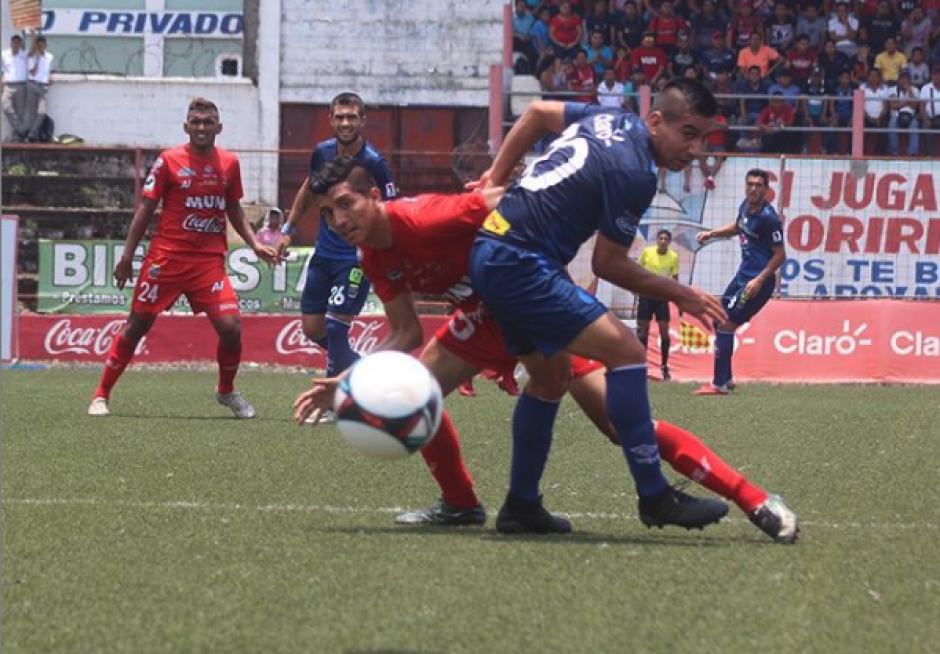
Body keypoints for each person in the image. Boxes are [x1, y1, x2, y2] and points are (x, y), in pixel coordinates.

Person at [294, 157, 800, 543]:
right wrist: (351, 380)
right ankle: (462, 503)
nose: (339, 219)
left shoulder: (427, 217)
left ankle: (752, 498)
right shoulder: (374, 254)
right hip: (483, 318)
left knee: (618, 425)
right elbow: (404, 333)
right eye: (328, 212)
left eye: (346, 204)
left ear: (374, 197)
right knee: (416, 394)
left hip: (534, 302)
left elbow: (504, 202)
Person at [466, 78, 733, 534]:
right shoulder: (636, 173)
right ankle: (654, 496)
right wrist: (683, 294)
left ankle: (521, 505)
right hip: (522, 263)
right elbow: (608, 264)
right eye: (688, 133)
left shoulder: (607, 116)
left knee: (551, 378)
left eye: (704, 138)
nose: (695, 148)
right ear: (655, 121)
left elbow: (533, 114)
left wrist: (494, 178)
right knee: (628, 352)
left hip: (492, 249)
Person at [88, 98, 278, 418]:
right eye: (196, 122)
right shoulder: (168, 161)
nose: (202, 127)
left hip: (208, 262)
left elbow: (233, 208)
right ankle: (100, 395)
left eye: (208, 122)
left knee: (231, 327)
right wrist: (126, 258)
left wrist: (255, 243)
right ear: (186, 127)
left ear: (219, 128)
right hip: (167, 258)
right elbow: (145, 210)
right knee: (137, 325)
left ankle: (226, 391)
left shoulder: (229, 163)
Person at [275, 92, 396, 421]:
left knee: (336, 326)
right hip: (324, 252)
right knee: (313, 328)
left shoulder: (373, 162)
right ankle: (367, 376)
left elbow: (392, 207)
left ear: (362, 121)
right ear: (331, 120)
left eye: (351, 117)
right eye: (340, 117)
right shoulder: (322, 153)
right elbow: (309, 191)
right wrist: (288, 229)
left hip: (357, 258)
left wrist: (385, 250)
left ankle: (337, 399)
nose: (345, 123)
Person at [693, 169, 785, 396]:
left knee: (726, 324)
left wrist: (758, 280)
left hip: (757, 282)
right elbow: (738, 226)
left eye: (758, 185)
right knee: (719, 319)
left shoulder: (768, 218)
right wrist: (712, 233)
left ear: (766, 189)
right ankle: (727, 378)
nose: (753, 189)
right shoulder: (745, 206)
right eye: (750, 184)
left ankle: (718, 384)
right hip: (742, 276)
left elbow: (780, 255)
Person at [635, 229, 679, 381]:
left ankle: (664, 366)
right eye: (660, 238)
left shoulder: (673, 256)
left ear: (669, 242)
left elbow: (675, 279)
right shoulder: (647, 252)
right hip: (646, 296)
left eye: (665, 239)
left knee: (664, 332)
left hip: (661, 297)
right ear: (657, 241)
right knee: (643, 332)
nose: (662, 241)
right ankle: (640, 367)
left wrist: (678, 298)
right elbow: (637, 270)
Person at [24, 34, 52, 142]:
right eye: (39, 44)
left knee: (42, 112)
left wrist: (50, 77)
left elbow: (48, 70)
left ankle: (30, 134)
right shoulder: (32, 56)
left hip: (43, 86)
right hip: (32, 84)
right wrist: (37, 60)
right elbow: (32, 72)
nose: (41, 46)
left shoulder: (50, 56)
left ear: (45, 44)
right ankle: (33, 137)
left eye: (43, 44)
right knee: (31, 113)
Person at [2, 34, 28, 142]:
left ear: (21, 44)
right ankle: (22, 130)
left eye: (18, 43)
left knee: (19, 112)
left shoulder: (24, 55)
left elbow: (34, 52)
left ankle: (17, 137)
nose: (16, 45)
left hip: (21, 86)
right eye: (14, 43)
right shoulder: (4, 54)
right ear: (11, 43)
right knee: (6, 107)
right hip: (8, 86)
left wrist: (33, 35)